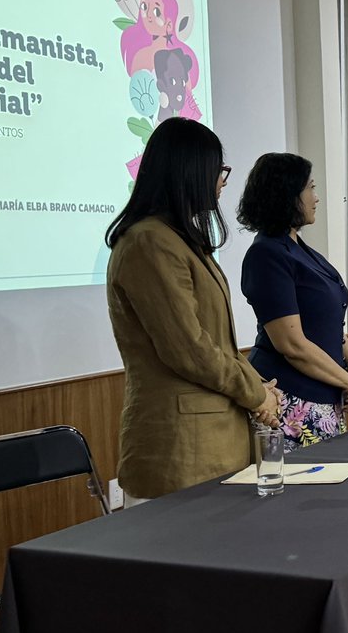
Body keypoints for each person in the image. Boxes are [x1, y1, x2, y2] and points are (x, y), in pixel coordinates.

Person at [105, 117, 282, 502]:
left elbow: (216, 342)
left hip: (214, 443)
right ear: (189, 172)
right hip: (180, 450)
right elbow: (189, 349)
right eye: (218, 169)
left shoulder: (179, 240)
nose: (222, 180)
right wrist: (256, 394)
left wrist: (258, 388)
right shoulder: (148, 242)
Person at [238, 153, 348, 452]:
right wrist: (347, 380)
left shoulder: (301, 250)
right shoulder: (267, 254)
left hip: (324, 395)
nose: (316, 198)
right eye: (310, 188)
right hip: (289, 401)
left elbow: (334, 324)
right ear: (286, 194)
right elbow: (292, 345)